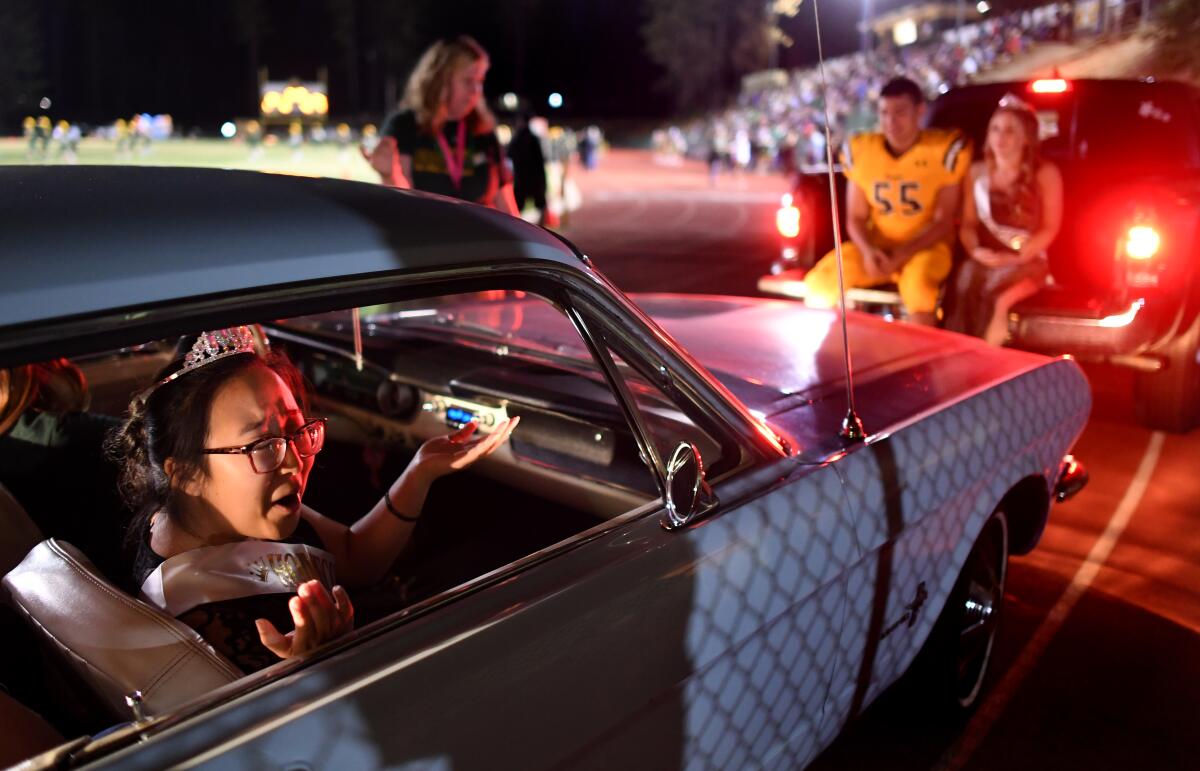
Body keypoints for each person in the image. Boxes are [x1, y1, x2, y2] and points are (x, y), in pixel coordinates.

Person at [111, 327, 518, 672]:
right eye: (261, 442)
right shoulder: (201, 625)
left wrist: (420, 470)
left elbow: (356, 557)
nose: (294, 461)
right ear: (183, 472)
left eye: (296, 431)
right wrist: (314, 667)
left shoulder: (227, 511)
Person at [803, 77, 972, 326]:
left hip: (926, 247)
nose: (891, 122)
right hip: (878, 245)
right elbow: (855, 218)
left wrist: (903, 254)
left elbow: (944, 222)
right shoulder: (863, 152)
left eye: (900, 112)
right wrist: (869, 252)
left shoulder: (943, 151)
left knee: (920, 289)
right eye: (884, 113)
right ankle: (827, 356)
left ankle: (917, 362)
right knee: (820, 284)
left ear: (920, 111)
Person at [944, 94, 1062, 344]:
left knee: (997, 297)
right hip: (987, 256)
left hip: (1028, 259)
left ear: (1026, 138)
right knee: (964, 284)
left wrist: (1018, 256)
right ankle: (958, 353)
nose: (1000, 137)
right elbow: (968, 224)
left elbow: (1051, 227)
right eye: (995, 129)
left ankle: (987, 361)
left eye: (1010, 131)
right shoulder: (976, 173)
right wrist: (976, 251)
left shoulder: (1046, 174)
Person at [365, 36, 518, 215]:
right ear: (441, 81)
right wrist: (389, 175)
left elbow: (507, 208)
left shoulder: (483, 132)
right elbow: (401, 206)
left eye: (480, 81)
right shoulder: (405, 125)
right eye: (468, 81)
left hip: (481, 241)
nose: (476, 91)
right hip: (430, 240)